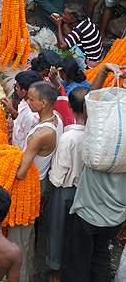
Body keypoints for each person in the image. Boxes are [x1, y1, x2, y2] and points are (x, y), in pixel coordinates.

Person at [9, 81, 63, 282]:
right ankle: (28, 273)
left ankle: (20, 277)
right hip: (40, 182)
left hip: (29, 184)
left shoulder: (40, 134)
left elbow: (21, 172)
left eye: (31, 100)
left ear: (43, 103)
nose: (27, 102)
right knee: (29, 232)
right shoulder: (56, 120)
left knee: (18, 237)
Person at [60, 155, 126, 281]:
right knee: (100, 256)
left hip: (88, 215)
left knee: (77, 264)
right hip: (114, 217)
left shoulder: (98, 147)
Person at [45, 86, 86, 282]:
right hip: (86, 190)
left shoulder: (68, 138)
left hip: (64, 189)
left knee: (58, 228)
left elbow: (58, 177)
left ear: (69, 106)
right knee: (77, 231)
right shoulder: (94, 135)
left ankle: (55, 269)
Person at [51, 3, 104, 68]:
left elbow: (62, 46)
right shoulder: (85, 20)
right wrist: (61, 20)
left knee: (64, 45)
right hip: (97, 56)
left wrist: (58, 25)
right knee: (65, 26)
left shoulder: (80, 29)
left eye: (65, 14)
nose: (62, 15)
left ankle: (82, 67)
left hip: (90, 62)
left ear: (73, 19)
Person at [1, 70, 44, 149]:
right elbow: (21, 120)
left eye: (17, 87)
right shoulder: (25, 104)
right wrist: (12, 111)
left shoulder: (31, 116)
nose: (16, 89)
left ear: (24, 91)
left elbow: (27, 145)